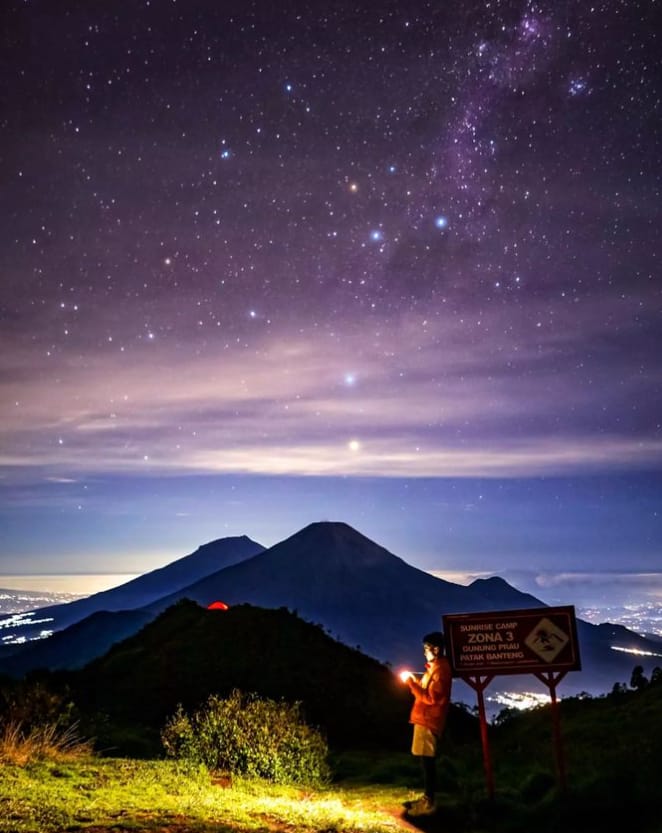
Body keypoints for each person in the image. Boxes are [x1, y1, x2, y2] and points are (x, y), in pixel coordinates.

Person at [400, 631, 452, 816]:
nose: (424, 652)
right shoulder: (434, 668)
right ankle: (427, 799)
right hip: (424, 718)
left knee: (428, 762)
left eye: (426, 648)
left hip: (429, 720)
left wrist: (412, 685)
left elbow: (432, 698)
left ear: (436, 649)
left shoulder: (441, 670)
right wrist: (415, 682)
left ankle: (429, 803)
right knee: (425, 760)